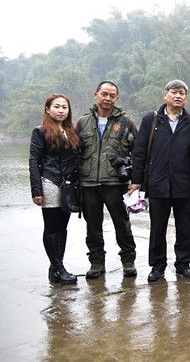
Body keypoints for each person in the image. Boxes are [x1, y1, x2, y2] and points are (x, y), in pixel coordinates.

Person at [130, 79, 190, 283]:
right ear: (165, 95)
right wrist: (136, 182)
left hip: (183, 184)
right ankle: (157, 266)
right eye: (174, 92)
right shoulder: (151, 120)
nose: (178, 96)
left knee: (185, 227)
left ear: (186, 98)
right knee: (158, 227)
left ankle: (183, 264)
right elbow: (139, 152)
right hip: (157, 184)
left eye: (182, 93)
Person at [77, 81, 138, 279]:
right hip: (88, 183)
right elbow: (75, 153)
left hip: (115, 183)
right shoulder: (83, 122)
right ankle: (96, 263)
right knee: (92, 225)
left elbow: (138, 151)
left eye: (112, 95)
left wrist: (135, 176)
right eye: (104, 94)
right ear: (95, 94)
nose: (108, 99)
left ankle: (128, 261)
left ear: (117, 98)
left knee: (122, 223)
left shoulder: (126, 122)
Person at [29, 94, 80, 284]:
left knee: (63, 226)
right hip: (49, 183)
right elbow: (33, 161)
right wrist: (36, 190)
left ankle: (56, 268)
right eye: (56, 107)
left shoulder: (71, 131)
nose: (60, 110)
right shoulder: (40, 131)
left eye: (64, 107)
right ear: (47, 109)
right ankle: (58, 268)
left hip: (68, 185)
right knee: (51, 227)